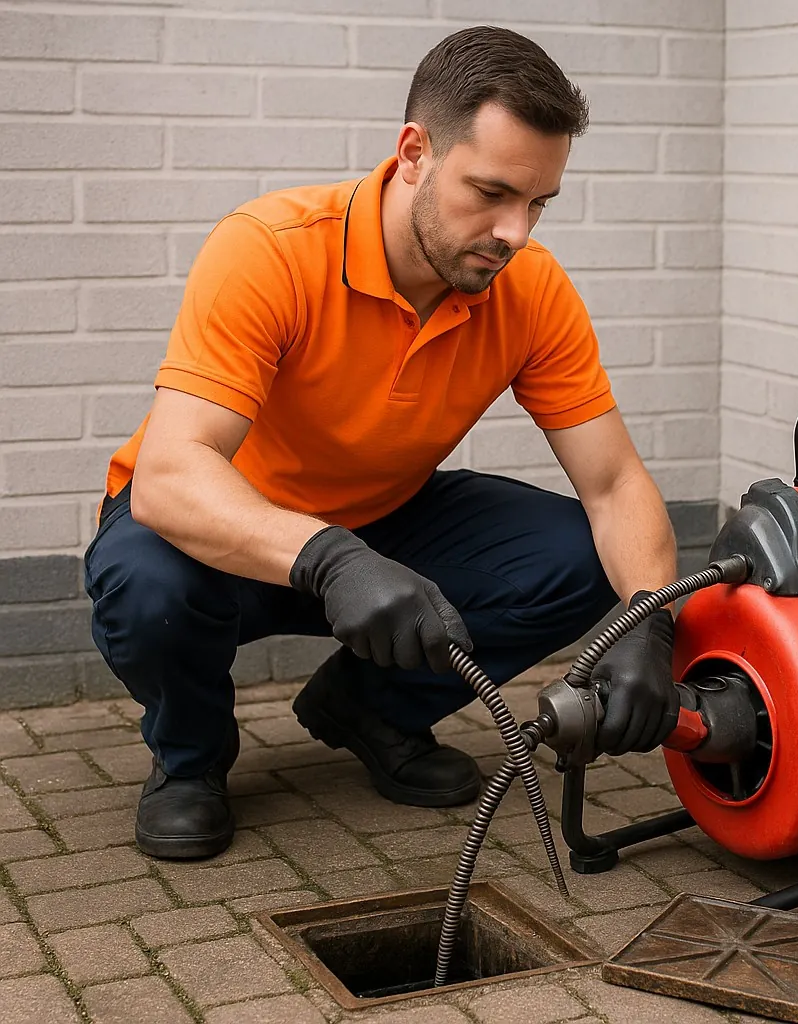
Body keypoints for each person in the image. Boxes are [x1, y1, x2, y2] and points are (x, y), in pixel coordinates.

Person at [83, 25, 682, 862]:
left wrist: (648, 623)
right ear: (414, 152)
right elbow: (172, 475)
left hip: (383, 521)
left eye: (539, 202)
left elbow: (614, 484)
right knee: (144, 581)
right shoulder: (272, 251)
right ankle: (188, 762)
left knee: (580, 556)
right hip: (225, 534)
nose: (515, 231)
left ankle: (373, 709)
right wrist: (329, 559)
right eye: (492, 192)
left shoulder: (530, 290)